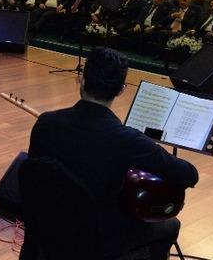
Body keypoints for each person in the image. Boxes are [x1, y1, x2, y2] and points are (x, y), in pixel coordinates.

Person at [28, 48, 198, 260]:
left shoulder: (45, 122)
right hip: (93, 242)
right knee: (170, 225)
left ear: (82, 80)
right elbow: (189, 175)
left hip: (45, 230)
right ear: (121, 90)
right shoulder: (128, 140)